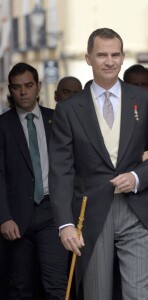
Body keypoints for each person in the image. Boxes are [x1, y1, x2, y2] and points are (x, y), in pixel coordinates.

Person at [48, 28, 148, 300]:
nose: (109, 60)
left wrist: (137, 177)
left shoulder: (144, 100)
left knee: (138, 295)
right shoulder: (69, 109)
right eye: (101, 54)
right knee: (98, 295)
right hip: (89, 213)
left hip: (136, 209)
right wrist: (65, 224)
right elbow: (60, 171)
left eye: (115, 54)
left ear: (123, 57)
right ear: (88, 58)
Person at [0, 62, 68, 299]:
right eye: (17, 87)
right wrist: (5, 217)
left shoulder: (56, 119)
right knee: (19, 286)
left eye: (28, 86)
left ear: (38, 86)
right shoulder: (3, 125)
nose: (23, 92)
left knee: (57, 284)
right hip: (16, 217)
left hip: (53, 212)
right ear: (10, 89)